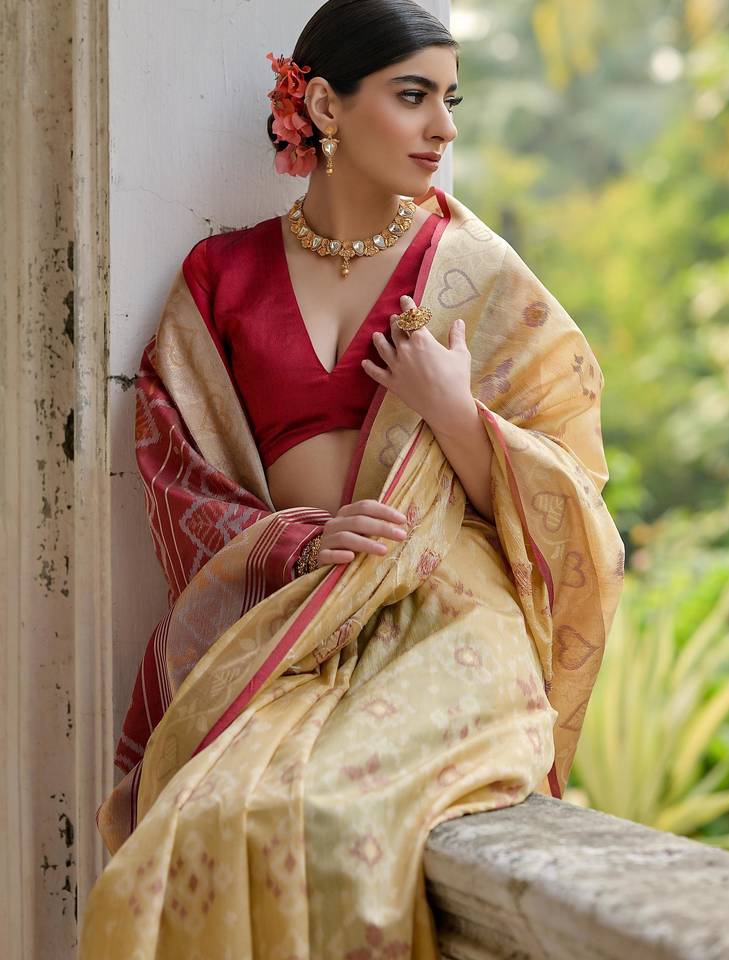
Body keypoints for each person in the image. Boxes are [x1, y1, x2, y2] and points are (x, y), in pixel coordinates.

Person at [79, 0, 625, 956]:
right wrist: (296, 544)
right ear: (324, 106)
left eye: (452, 100)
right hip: (291, 612)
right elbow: (176, 467)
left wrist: (455, 414)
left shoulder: (479, 275)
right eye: (414, 96)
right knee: (200, 817)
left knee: (345, 823)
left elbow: (576, 499)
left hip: (443, 611)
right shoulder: (221, 275)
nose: (443, 128)